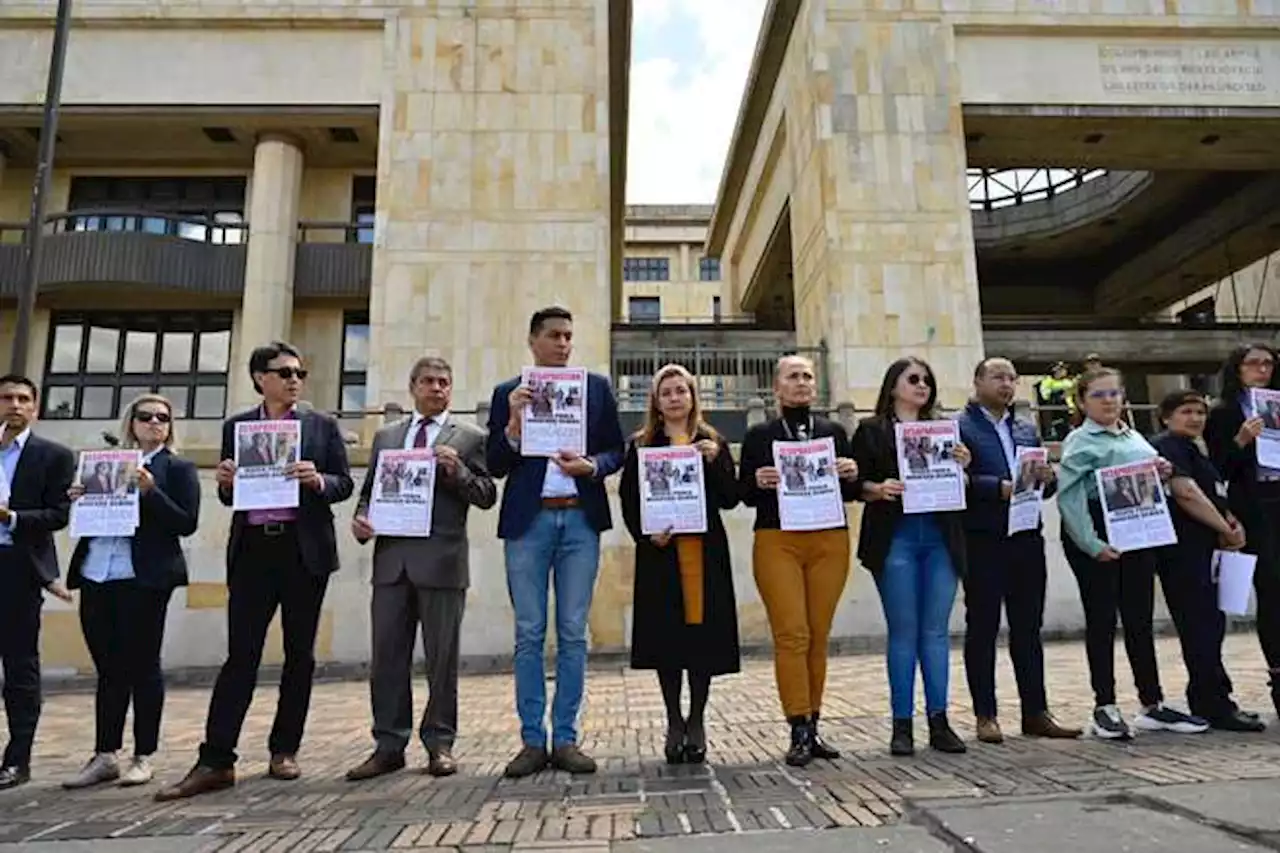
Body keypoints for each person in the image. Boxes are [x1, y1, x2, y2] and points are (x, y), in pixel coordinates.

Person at [156, 342, 354, 801]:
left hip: (304, 552)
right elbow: (231, 497)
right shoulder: (238, 427)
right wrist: (225, 482)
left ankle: (285, 750)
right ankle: (215, 759)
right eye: (284, 371)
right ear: (259, 377)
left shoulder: (321, 426)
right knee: (240, 656)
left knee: (299, 654)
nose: (294, 380)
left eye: (299, 372)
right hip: (252, 553)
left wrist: (318, 480)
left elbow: (343, 484)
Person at [485, 307, 625, 778]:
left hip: (579, 522)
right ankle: (531, 740)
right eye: (554, 336)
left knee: (572, 632)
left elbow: (616, 451)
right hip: (529, 524)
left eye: (568, 336)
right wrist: (512, 427)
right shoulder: (509, 394)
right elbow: (496, 464)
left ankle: (565, 738)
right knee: (529, 632)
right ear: (533, 341)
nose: (563, 344)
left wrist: (593, 467)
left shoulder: (595, 389)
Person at [346, 357, 497, 781]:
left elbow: (487, 494)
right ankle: (389, 745)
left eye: (444, 382)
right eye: (428, 381)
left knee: (441, 660)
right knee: (387, 659)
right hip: (392, 563)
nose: (437, 388)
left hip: (443, 563)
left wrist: (458, 471)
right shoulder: (388, 436)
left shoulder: (470, 437)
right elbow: (370, 490)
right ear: (413, 386)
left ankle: (440, 743)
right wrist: (361, 522)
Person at [1057, 366, 1207, 740]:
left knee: (1139, 618)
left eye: (1114, 394)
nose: (1109, 401)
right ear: (1082, 401)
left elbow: (1149, 476)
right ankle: (1104, 705)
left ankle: (1151, 703)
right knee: (1103, 619)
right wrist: (1091, 544)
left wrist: (1161, 468)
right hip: (1097, 528)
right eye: (1099, 395)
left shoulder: (1132, 434)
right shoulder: (1080, 440)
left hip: (1137, 529)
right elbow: (1070, 497)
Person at [60, 394, 201, 789]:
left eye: (163, 417)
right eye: (146, 417)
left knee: (143, 664)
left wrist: (151, 492)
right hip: (96, 572)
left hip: (144, 577)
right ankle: (105, 754)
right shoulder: (104, 464)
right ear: (131, 423)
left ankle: (144, 755)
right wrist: (78, 499)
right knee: (108, 668)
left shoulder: (179, 468)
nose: (155, 422)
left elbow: (186, 522)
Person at [738, 355, 860, 767]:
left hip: (829, 538)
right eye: (793, 377)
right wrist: (755, 480)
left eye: (808, 376)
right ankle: (798, 728)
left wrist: (850, 472)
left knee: (818, 634)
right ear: (777, 387)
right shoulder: (759, 435)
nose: (802, 383)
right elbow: (742, 493)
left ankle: (815, 722)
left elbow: (852, 492)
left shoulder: (833, 432)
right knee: (792, 633)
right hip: (778, 540)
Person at [619, 364, 740, 765]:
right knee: (667, 640)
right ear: (655, 400)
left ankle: (698, 719)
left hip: (703, 553)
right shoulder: (641, 445)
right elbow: (629, 500)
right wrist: (645, 534)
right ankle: (673, 718)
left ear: (693, 397)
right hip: (661, 554)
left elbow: (730, 498)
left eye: (681, 391)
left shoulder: (711, 441)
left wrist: (718, 461)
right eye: (666, 392)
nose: (674, 398)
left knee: (702, 639)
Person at [956, 358, 1081, 744]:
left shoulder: (1026, 428)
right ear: (977, 381)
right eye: (998, 377)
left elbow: (1040, 484)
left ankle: (1036, 711)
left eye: (1012, 378)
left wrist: (1049, 479)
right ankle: (986, 715)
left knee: (1029, 628)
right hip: (983, 539)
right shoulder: (959, 427)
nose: (1007, 384)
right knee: (983, 628)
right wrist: (997, 487)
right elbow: (954, 482)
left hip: (1027, 537)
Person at [852, 357, 969, 757]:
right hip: (895, 539)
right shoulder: (871, 430)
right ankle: (901, 725)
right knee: (904, 631)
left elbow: (960, 486)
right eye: (913, 379)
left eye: (927, 380)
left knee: (935, 632)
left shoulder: (946, 431)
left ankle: (940, 721)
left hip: (940, 538)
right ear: (893, 387)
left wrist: (963, 467)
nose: (922, 386)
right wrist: (877, 488)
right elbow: (854, 484)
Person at [1151, 389, 1264, 732]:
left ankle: (1209, 697)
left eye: (1200, 412)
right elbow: (1186, 493)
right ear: (1167, 417)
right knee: (1200, 627)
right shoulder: (1167, 447)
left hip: (1206, 549)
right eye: (1186, 412)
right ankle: (1215, 704)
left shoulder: (1196, 451)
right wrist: (1223, 526)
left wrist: (1231, 521)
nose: (1195, 419)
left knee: (1211, 626)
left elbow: (1214, 492)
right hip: (1184, 552)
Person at [0, 375, 75, 790]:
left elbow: (58, 514)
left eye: (23, 399)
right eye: (7, 398)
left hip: (17, 567)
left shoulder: (54, 456)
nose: (14, 404)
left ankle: (17, 758)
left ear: (36, 407)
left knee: (19, 666)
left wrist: (10, 518)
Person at [1204, 343, 1280, 715]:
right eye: (1254, 364)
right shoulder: (1224, 413)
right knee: (1272, 587)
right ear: (1237, 369)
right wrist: (1242, 440)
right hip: (1255, 505)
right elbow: (1218, 468)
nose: (1262, 370)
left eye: (1268, 363)